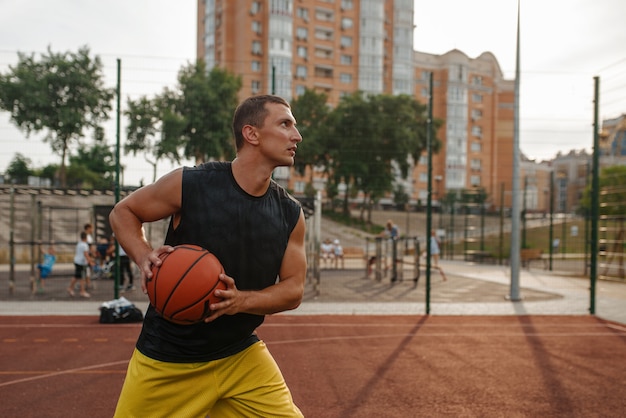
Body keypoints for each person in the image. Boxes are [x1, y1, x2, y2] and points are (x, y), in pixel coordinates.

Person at [108, 94, 306, 417]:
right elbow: (123, 212)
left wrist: (241, 301)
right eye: (285, 124)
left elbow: (294, 289)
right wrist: (145, 257)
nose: (296, 136)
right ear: (251, 133)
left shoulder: (290, 214)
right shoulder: (193, 184)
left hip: (240, 356)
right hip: (168, 357)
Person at [67, 231, 94, 298]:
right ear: (86, 237)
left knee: (76, 277)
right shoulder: (85, 245)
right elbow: (86, 254)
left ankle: (70, 288)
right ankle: (82, 292)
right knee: (82, 278)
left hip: (77, 261)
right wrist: (90, 262)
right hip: (81, 263)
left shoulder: (79, 243)